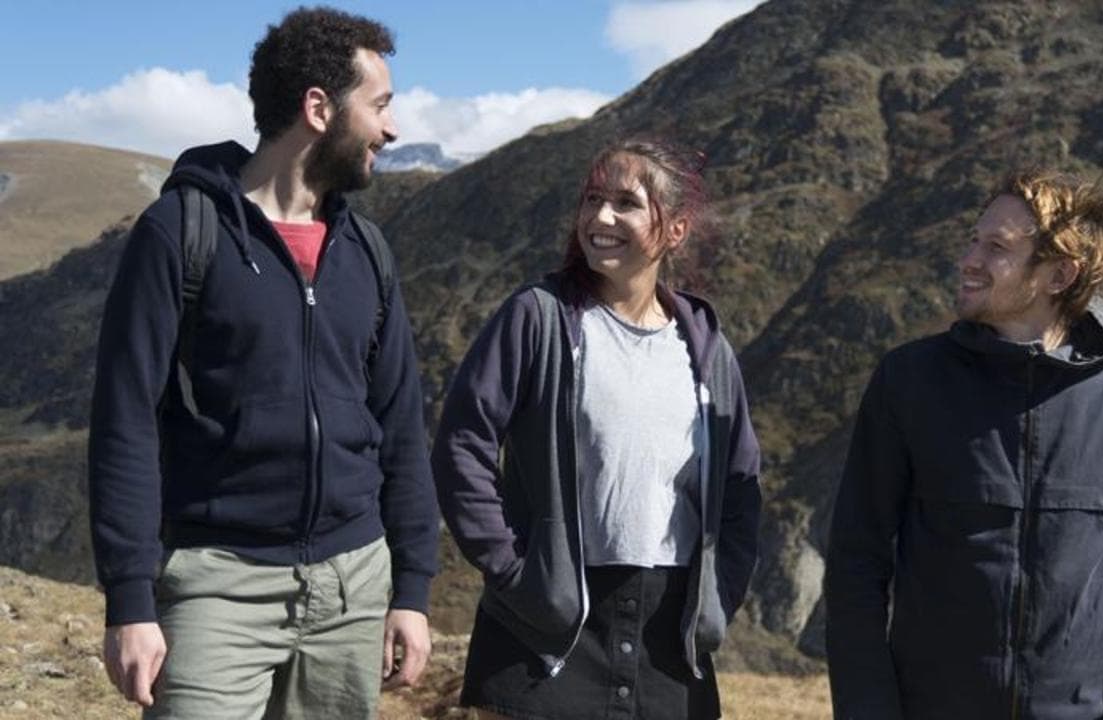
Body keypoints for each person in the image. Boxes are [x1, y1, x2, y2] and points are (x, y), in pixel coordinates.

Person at [88, 7, 437, 717]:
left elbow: (400, 424)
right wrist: (129, 599)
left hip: (353, 587)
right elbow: (124, 421)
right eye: (379, 107)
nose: (390, 130)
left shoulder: (366, 250)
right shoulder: (180, 232)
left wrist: (412, 590)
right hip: (217, 583)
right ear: (318, 108)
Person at [824, 170, 1103, 719]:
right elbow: (856, 566)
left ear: (1058, 274)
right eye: (973, 240)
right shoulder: (910, 379)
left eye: (996, 247)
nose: (969, 260)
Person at [432, 137, 762, 720]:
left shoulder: (706, 351)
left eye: (625, 203)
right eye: (591, 199)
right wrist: (513, 569)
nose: (600, 218)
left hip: (670, 639)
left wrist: (718, 595)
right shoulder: (539, 317)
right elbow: (464, 442)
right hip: (548, 636)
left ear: (676, 229)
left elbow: (740, 488)